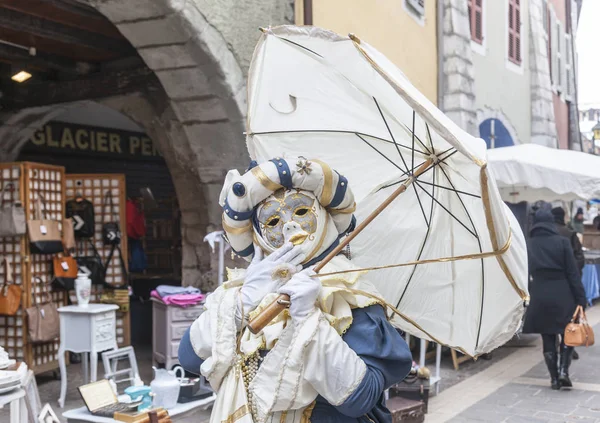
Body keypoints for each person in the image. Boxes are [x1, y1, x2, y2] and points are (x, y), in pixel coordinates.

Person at [178, 157, 412, 422]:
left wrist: (307, 321)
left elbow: (360, 399)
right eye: (273, 221)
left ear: (324, 217)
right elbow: (190, 360)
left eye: (300, 211)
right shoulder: (248, 286)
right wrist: (244, 300)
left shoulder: (348, 295)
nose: (289, 225)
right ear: (258, 235)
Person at [523, 210, 586, 390]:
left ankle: (554, 379)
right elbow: (573, 273)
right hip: (563, 293)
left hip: (540, 294)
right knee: (568, 333)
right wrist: (581, 298)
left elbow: (525, 274)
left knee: (547, 336)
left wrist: (527, 294)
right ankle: (564, 371)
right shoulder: (562, 242)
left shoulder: (529, 244)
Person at [551, 207, 585, 275]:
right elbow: (579, 257)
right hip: (568, 276)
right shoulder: (570, 233)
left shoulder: (545, 233)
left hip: (550, 276)